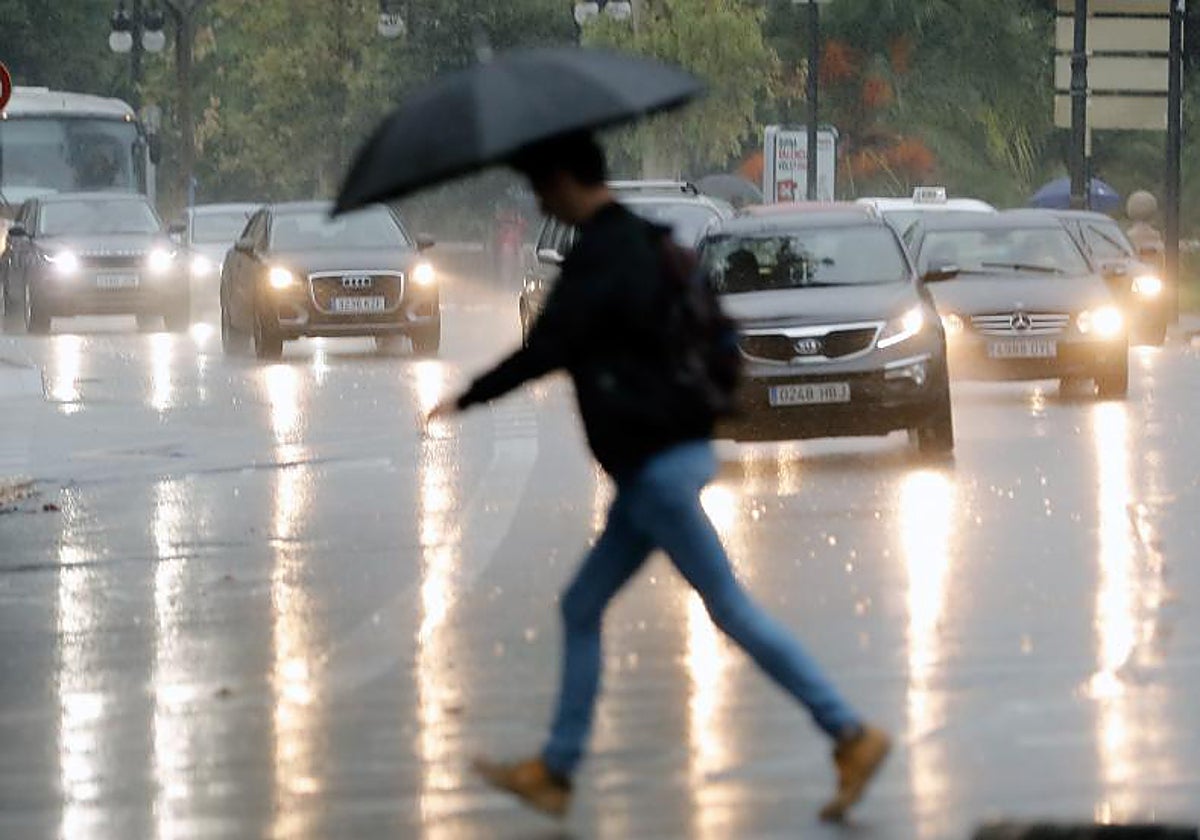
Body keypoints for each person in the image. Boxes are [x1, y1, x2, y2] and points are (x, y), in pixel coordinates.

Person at [426, 131, 890, 823]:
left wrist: (466, 396)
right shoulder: (649, 241)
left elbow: (546, 348)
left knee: (728, 606)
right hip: (673, 451)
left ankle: (849, 732)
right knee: (583, 606)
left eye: (541, 187)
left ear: (562, 182)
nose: (539, 199)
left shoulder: (601, 260)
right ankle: (555, 770)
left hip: (656, 468)